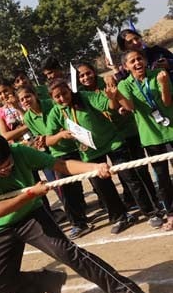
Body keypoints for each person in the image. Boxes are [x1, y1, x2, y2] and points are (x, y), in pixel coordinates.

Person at [0, 137, 152, 293]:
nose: (4, 171)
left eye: (8, 164)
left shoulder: (21, 152)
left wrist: (93, 168)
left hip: (31, 216)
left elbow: (61, 165)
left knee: (68, 253)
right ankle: (50, 281)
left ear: (10, 152)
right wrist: (31, 193)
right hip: (1, 226)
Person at [45, 78, 164, 233]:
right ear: (52, 98)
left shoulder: (85, 96)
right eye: (57, 96)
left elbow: (110, 106)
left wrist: (112, 97)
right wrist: (60, 135)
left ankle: (151, 213)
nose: (62, 98)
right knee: (102, 187)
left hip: (112, 143)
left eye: (64, 93)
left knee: (130, 178)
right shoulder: (56, 111)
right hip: (89, 152)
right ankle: (120, 217)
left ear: (69, 90)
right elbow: (48, 140)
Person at [77, 60, 158, 212]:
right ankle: (132, 201)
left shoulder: (108, 82)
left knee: (139, 169)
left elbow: (122, 99)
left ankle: (154, 200)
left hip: (128, 132)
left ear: (94, 71)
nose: (86, 77)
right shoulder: (80, 95)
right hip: (109, 137)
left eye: (88, 73)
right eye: (81, 76)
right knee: (124, 174)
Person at [17, 85, 91, 240]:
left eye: (28, 96)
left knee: (81, 184)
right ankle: (78, 223)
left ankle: (84, 216)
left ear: (35, 95)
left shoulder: (51, 104)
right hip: (57, 154)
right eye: (22, 99)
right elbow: (41, 137)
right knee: (63, 188)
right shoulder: (28, 118)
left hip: (78, 145)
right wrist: (40, 141)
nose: (26, 101)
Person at [112, 49, 173, 230]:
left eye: (139, 59)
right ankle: (170, 213)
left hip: (171, 129)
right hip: (151, 136)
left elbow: (167, 102)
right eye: (132, 61)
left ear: (145, 61)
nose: (137, 63)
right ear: (126, 66)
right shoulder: (125, 85)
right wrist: (116, 95)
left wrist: (163, 84)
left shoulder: (159, 75)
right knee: (162, 178)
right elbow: (130, 107)